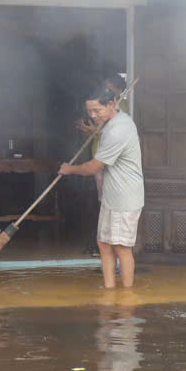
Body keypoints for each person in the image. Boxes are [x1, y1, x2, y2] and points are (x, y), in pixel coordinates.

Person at [59, 76, 143, 289]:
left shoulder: (118, 129)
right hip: (112, 196)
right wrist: (94, 128)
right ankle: (109, 290)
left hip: (124, 198)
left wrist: (70, 169)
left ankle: (127, 297)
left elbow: (94, 167)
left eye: (97, 111)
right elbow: (103, 129)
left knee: (122, 247)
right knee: (104, 243)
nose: (93, 116)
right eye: (90, 111)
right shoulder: (113, 122)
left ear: (112, 104)